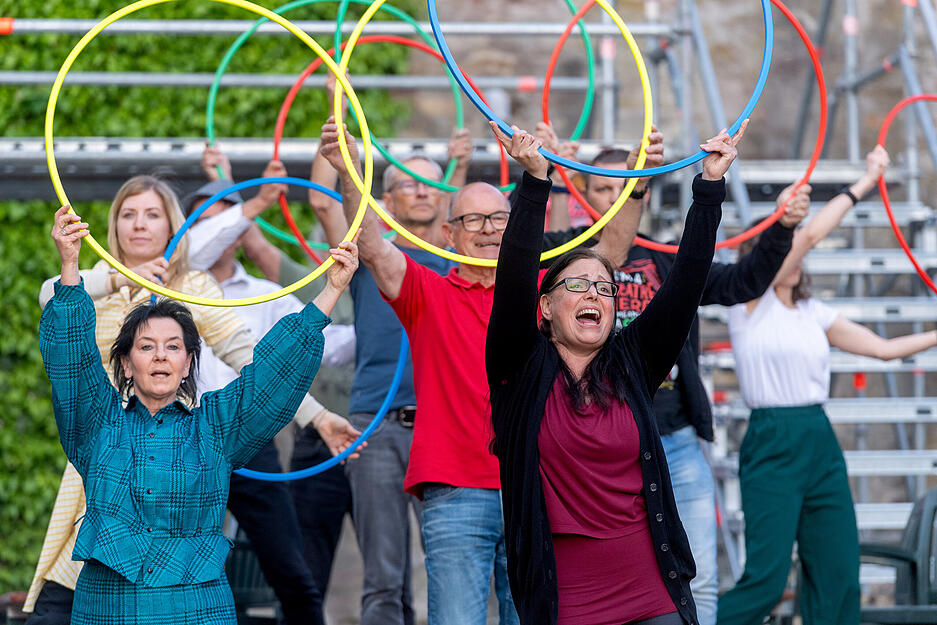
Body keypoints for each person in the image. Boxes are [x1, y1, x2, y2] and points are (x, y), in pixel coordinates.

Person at [538, 126, 809, 625]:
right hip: (598, 445)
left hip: (675, 438)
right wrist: (546, 177)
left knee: (697, 578)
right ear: (583, 190)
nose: (618, 194)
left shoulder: (666, 259)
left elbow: (743, 281)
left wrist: (782, 227)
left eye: (629, 184)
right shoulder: (561, 262)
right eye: (605, 185)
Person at [40, 200, 359, 624]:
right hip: (106, 609)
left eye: (173, 347)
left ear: (190, 362)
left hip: (198, 610)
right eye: (146, 347)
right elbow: (71, 360)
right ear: (125, 362)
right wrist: (69, 261)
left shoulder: (216, 426)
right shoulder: (96, 424)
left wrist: (332, 289)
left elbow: (271, 377)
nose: (160, 357)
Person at [486, 119, 748, 625]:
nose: (594, 296)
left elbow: (687, 282)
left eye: (604, 289)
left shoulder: (632, 364)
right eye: (578, 287)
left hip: (651, 592)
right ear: (544, 309)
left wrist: (709, 187)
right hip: (566, 601)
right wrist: (537, 182)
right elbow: (514, 275)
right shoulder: (519, 368)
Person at [716, 146, 937, 625]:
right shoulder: (749, 305)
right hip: (772, 440)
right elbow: (811, 232)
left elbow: (882, 349)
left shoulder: (814, 313)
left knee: (838, 573)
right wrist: (868, 178)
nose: (793, 256)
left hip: (818, 438)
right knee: (767, 582)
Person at [25, 175, 260, 625]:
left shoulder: (192, 283)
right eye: (128, 214)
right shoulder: (94, 282)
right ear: (113, 226)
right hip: (100, 455)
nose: (139, 224)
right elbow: (51, 296)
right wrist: (118, 279)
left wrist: (319, 415)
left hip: (177, 454)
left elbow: (252, 361)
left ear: (172, 226)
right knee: (64, 598)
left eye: (152, 214)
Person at [182, 169, 361, 625]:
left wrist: (388, 328)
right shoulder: (168, 291)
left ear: (244, 233)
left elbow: (318, 346)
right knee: (182, 570)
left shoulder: (268, 295)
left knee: (292, 572)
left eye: (231, 220)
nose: (221, 232)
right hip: (182, 442)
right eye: (209, 221)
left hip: (251, 447)